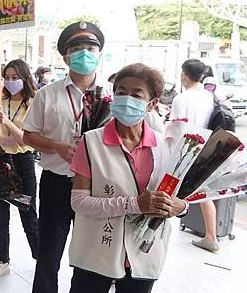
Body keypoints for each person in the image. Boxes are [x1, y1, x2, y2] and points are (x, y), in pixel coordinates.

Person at [68, 63, 189, 293]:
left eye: (136, 94)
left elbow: (183, 199)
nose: (126, 99)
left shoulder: (165, 146)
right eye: (121, 92)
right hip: (97, 250)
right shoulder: (92, 142)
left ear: (152, 104)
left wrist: (179, 207)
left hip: (143, 251)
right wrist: (134, 204)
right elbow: (79, 201)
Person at [23, 21, 112, 293]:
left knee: (88, 255)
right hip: (57, 183)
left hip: (96, 188)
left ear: (99, 54)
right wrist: (57, 147)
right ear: (65, 56)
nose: (84, 53)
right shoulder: (47, 94)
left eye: (90, 47)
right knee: (49, 254)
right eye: (76, 48)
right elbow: (28, 136)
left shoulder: (111, 96)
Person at [0, 59, 39, 280]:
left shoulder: (33, 103)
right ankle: (3, 261)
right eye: (7, 77)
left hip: (23, 162)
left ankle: (41, 258)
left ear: (25, 78)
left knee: (28, 213)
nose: (10, 81)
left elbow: (28, 139)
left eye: (15, 77)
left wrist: (6, 121)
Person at [170, 59, 219, 253]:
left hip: (187, 149)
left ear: (184, 74)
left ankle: (154, 226)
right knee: (203, 192)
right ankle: (211, 235)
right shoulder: (210, 96)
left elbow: (176, 128)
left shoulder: (182, 99)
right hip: (208, 148)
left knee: (170, 188)